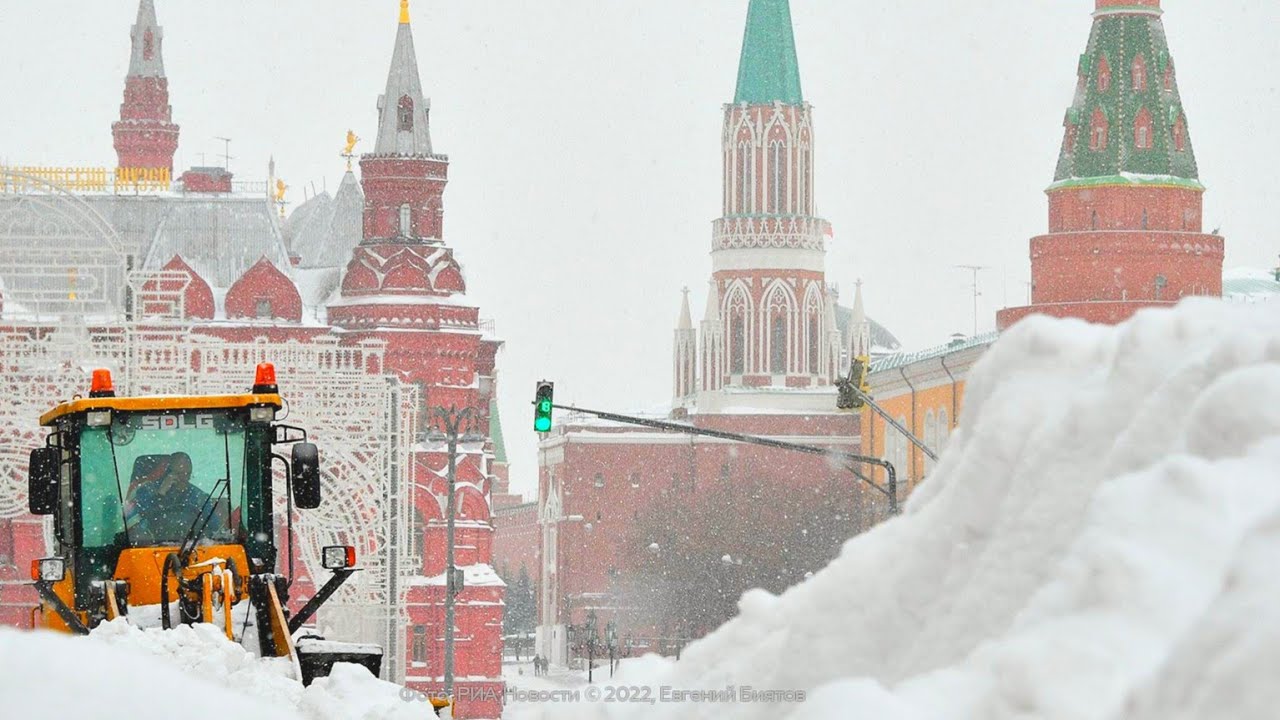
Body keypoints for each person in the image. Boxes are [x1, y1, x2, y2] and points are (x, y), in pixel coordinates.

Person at [124, 452, 217, 544]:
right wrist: (160, 494)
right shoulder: (146, 491)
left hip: (190, 548)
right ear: (168, 473)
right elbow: (138, 521)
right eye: (179, 474)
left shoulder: (200, 497)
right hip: (152, 547)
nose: (184, 479)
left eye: (187, 474)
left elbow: (215, 528)